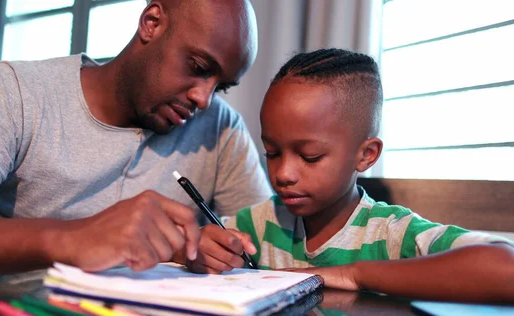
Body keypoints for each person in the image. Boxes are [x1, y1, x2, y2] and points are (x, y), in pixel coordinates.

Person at [0, 0, 272, 273]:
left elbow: (266, 250)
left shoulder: (220, 130)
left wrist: (197, 250)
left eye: (221, 87)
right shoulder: (19, 92)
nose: (204, 99)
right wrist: (73, 237)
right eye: (197, 67)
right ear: (152, 23)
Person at [184, 49, 514, 302]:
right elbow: (196, 248)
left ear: (365, 155)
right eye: (271, 153)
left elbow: (506, 267)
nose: (282, 173)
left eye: (309, 157)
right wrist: (201, 250)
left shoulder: (391, 234)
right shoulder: (261, 223)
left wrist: (352, 274)